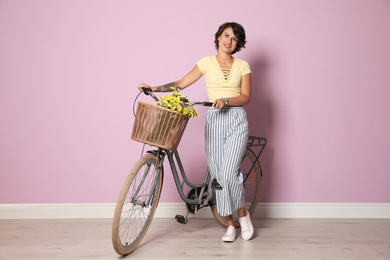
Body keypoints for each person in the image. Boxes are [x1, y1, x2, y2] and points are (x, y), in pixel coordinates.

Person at [138, 22, 253, 242]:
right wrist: (153, 88)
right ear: (218, 37)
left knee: (229, 172)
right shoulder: (206, 63)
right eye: (226, 35)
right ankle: (230, 225)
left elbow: (246, 96)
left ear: (238, 43)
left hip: (236, 118)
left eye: (234, 38)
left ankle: (242, 214)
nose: (229, 40)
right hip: (214, 120)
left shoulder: (243, 66)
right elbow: (181, 83)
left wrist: (226, 100)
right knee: (219, 175)